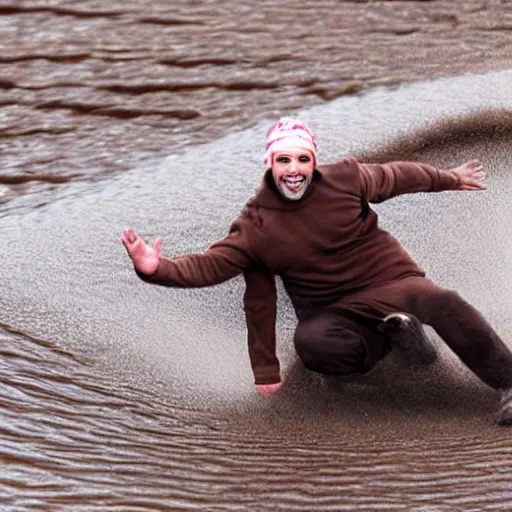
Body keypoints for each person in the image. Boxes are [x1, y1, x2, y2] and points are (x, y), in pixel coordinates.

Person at [121, 117, 512, 425]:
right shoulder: (255, 226)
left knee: (442, 301)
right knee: (312, 345)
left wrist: (449, 177)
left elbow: (397, 176)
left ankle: (507, 380)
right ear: (269, 164)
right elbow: (239, 289)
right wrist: (157, 268)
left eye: (302, 159)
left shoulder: (345, 177)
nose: (294, 170)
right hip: (333, 312)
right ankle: (395, 345)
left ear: (314, 160)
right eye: (284, 160)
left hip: (392, 281)